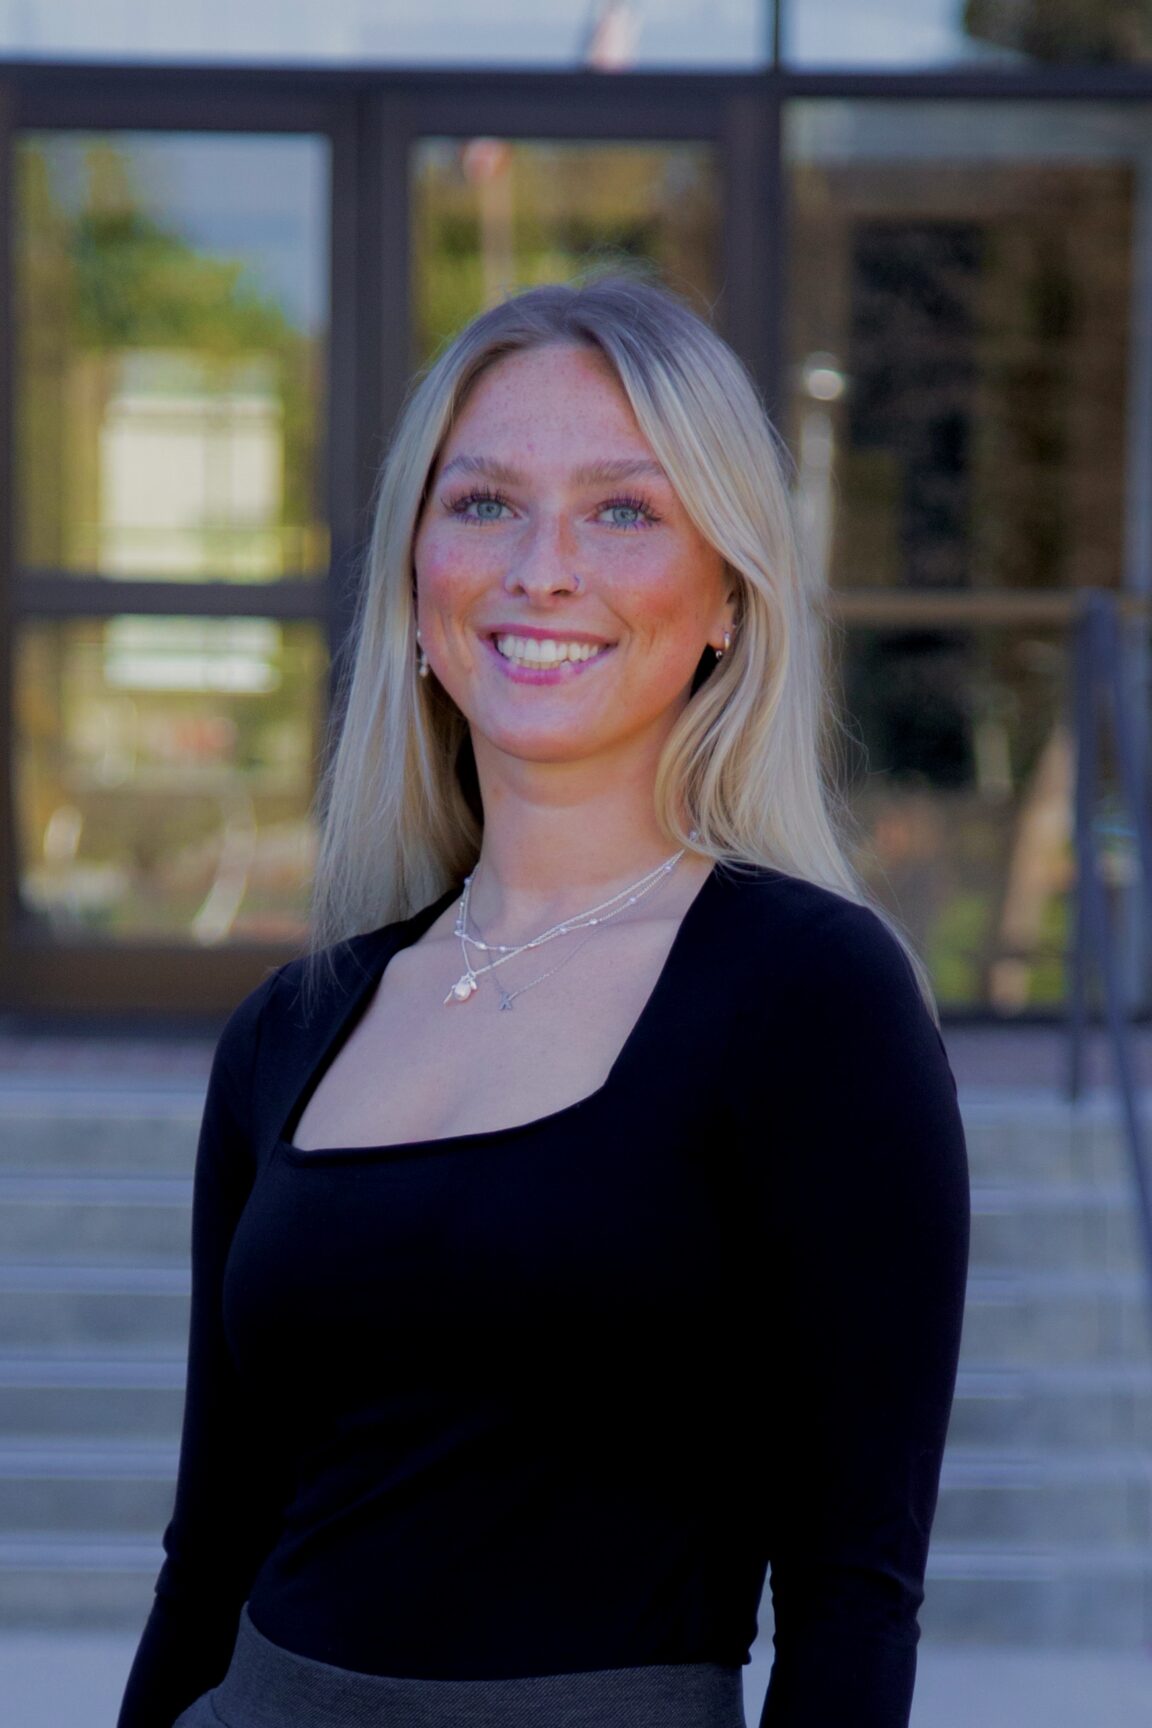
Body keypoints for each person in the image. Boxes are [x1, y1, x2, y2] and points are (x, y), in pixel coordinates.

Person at [117, 270, 970, 1728]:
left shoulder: (814, 1001)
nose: (542, 568)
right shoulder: (292, 1025)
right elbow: (209, 1558)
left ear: (725, 598)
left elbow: (852, 1595)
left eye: (623, 511)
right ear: (416, 574)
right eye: (485, 503)